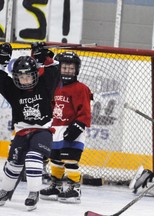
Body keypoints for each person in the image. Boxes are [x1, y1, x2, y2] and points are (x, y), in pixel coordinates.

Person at [0, 42, 59, 211]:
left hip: (43, 131)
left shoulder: (45, 85)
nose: (25, 80)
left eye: (28, 76)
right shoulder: (12, 90)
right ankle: (5, 191)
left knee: (33, 157)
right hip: (21, 132)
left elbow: (54, 68)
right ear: (15, 77)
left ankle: (33, 193)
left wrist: (43, 57)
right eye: (21, 77)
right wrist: (2, 59)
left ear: (35, 75)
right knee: (13, 163)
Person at [40, 51, 92, 203]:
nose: (68, 71)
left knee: (70, 160)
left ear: (76, 70)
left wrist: (78, 126)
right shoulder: (56, 87)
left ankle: (75, 189)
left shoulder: (81, 88)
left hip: (72, 129)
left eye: (71, 68)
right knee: (55, 160)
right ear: (59, 69)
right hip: (57, 129)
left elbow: (85, 112)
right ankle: (55, 186)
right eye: (64, 68)